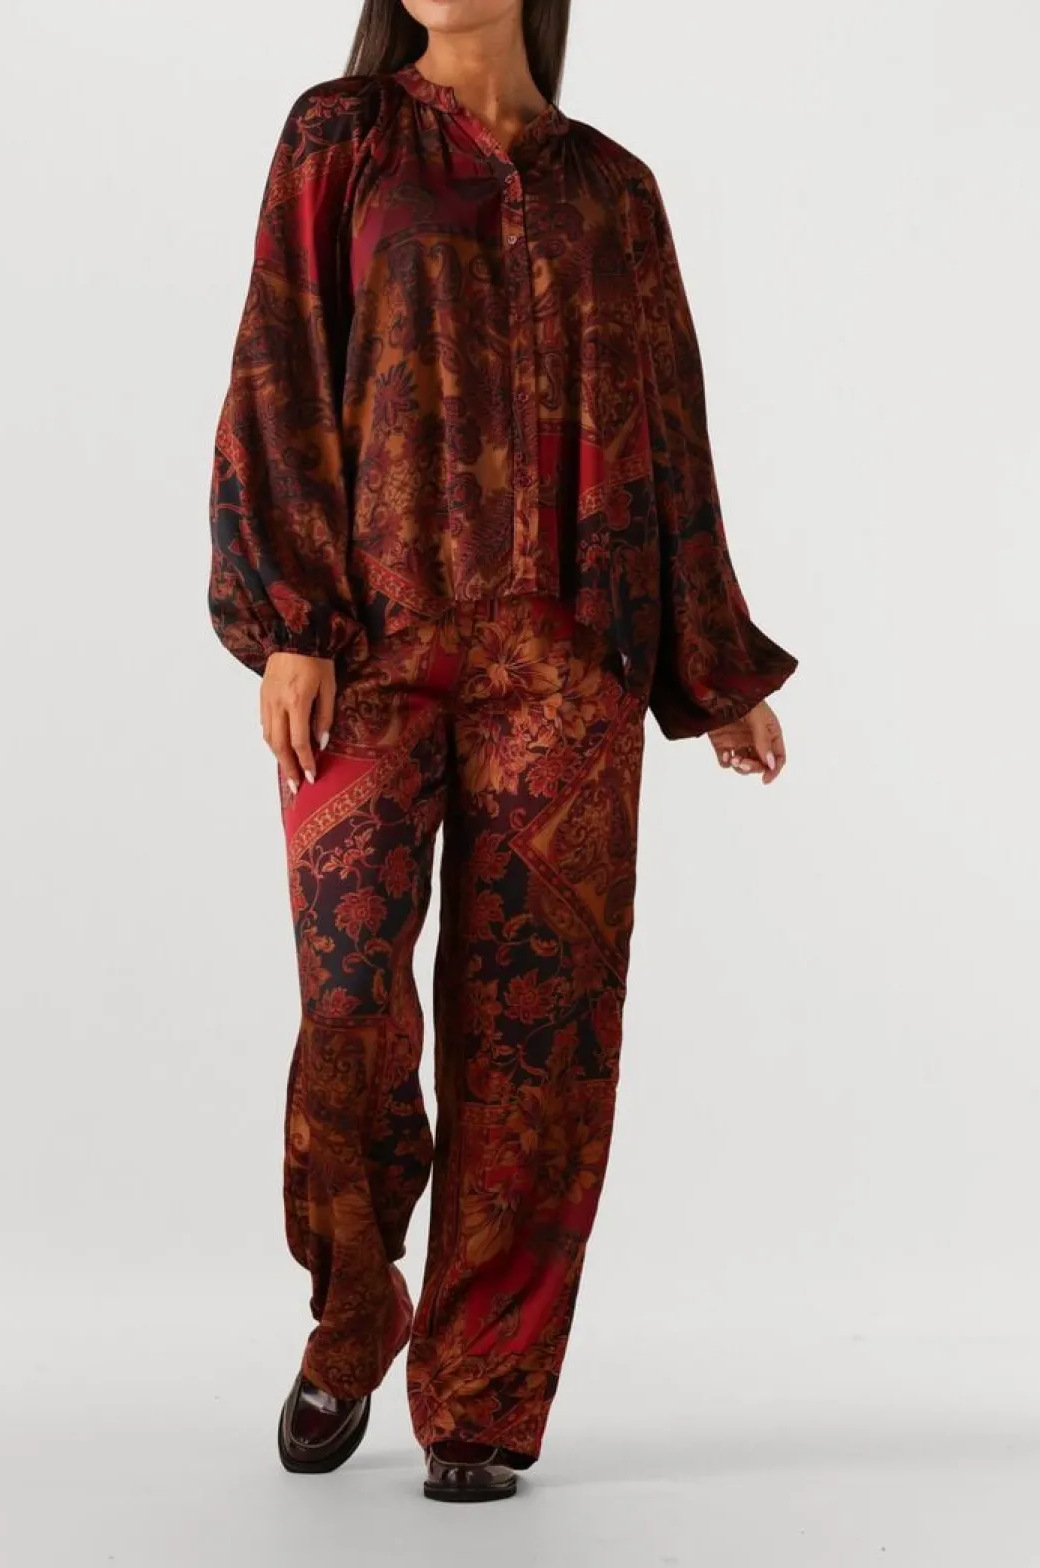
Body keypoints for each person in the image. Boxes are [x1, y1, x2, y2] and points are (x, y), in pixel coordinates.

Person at [207, 0, 799, 1505]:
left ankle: (479, 1395)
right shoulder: (338, 139)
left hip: (571, 668)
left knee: (542, 1045)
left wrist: (715, 665)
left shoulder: (615, 189)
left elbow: (670, 427)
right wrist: (291, 618)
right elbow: (280, 362)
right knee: (351, 1010)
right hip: (369, 653)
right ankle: (356, 1309)